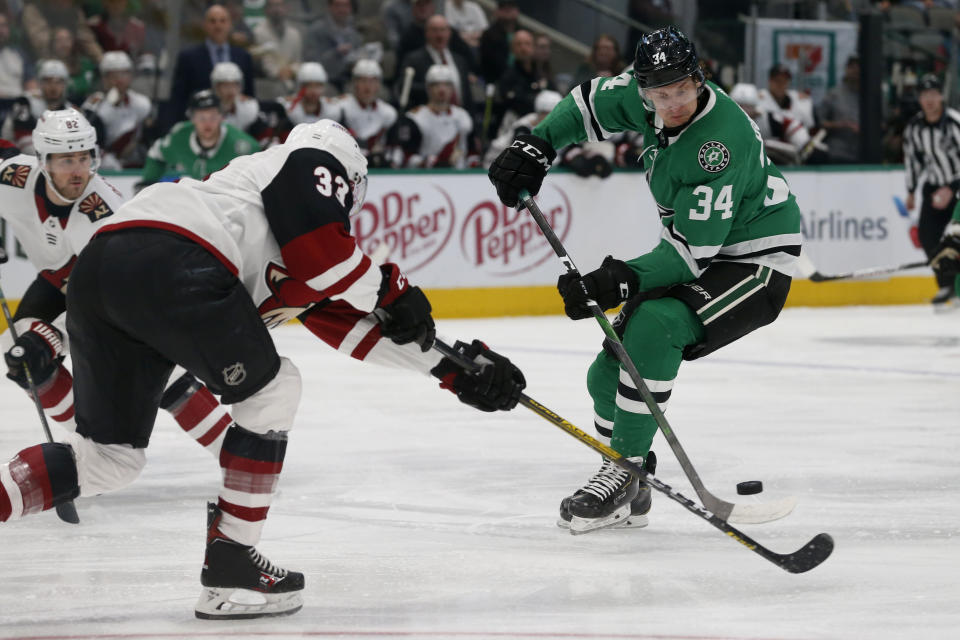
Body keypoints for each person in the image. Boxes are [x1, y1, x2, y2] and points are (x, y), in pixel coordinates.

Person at [0, 118, 526, 620]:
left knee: (109, 459)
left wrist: (454, 369)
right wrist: (391, 286)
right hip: (178, 258)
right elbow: (328, 257)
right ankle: (232, 562)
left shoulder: (278, 230)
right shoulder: (312, 157)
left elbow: (355, 327)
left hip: (102, 269)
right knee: (275, 389)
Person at [488, 26, 802, 533]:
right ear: (643, 89)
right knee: (603, 376)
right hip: (701, 252)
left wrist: (617, 279)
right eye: (659, 94)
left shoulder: (718, 143)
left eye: (681, 90)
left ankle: (624, 468)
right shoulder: (644, 97)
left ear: (699, 79)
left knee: (654, 325)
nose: (672, 103)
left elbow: (690, 254)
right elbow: (587, 104)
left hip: (753, 262)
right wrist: (538, 145)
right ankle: (630, 475)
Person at [0, 109, 235, 455]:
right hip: (60, 280)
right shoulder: (13, 177)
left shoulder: (104, 212)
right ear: (42, 161)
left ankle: (235, 451)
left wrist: (53, 335)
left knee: (160, 376)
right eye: (66, 160)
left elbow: (106, 299)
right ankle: (90, 445)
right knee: (21, 353)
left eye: (84, 158)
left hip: (123, 295)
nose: (78, 170)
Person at [902, 73, 960, 309]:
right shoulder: (915, 128)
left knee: (956, 240)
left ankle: (956, 285)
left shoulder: (955, 122)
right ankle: (946, 286)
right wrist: (911, 190)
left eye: (933, 94)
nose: (929, 100)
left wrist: (952, 188)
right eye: (924, 95)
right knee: (928, 238)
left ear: (941, 97)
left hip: (958, 188)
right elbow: (913, 161)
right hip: (934, 187)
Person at [166, 4, 255, 131]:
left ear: (230, 25)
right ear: (205, 25)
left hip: (236, 126)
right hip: (198, 125)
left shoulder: (243, 57)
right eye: (212, 21)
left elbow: (250, 94)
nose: (218, 26)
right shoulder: (189, 57)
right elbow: (178, 97)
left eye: (222, 21)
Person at [142, 89, 257, 185]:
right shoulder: (179, 136)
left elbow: (260, 167)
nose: (207, 123)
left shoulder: (242, 145)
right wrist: (148, 182)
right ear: (192, 118)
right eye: (201, 118)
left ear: (221, 117)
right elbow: (156, 154)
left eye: (212, 117)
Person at [394, 64, 476, 168]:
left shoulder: (463, 116)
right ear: (428, 88)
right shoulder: (414, 118)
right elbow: (407, 156)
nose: (442, 89)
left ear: (452, 88)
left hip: (460, 178)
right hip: (426, 177)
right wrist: (429, 162)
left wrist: (474, 163)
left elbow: (472, 153)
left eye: (446, 84)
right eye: (436, 85)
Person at [81, 51, 152, 169]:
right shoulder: (93, 105)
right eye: (112, 75)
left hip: (135, 162)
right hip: (103, 164)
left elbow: (147, 137)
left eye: (123, 74)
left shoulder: (141, 103)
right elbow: (88, 142)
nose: (119, 80)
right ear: (104, 78)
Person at [211, 61, 292, 149]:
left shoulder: (248, 107)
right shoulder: (207, 109)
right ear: (216, 87)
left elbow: (262, 133)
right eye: (225, 86)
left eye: (234, 85)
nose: (231, 90)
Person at [337, 59, 397, 167]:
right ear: (355, 83)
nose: (368, 87)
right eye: (363, 81)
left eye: (373, 81)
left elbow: (394, 148)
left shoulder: (389, 113)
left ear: (379, 84)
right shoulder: (340, 107)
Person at [304, 0, 364, 91]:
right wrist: (336, 53)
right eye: (338, 5)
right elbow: (311, 63)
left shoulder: (354, 33)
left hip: (349, 80)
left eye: (345, 6)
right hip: (325, 80)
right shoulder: (316, 31)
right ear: (330, 7)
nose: (342, 9)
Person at [817, 55, 860, 164]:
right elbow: (819, 122)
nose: (855, 71)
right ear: (846, 69)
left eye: (858, 67)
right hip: (838, 154)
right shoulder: (834, 94)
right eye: (852, 67)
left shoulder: (870, 96)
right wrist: (842, 125)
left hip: (863, 153)